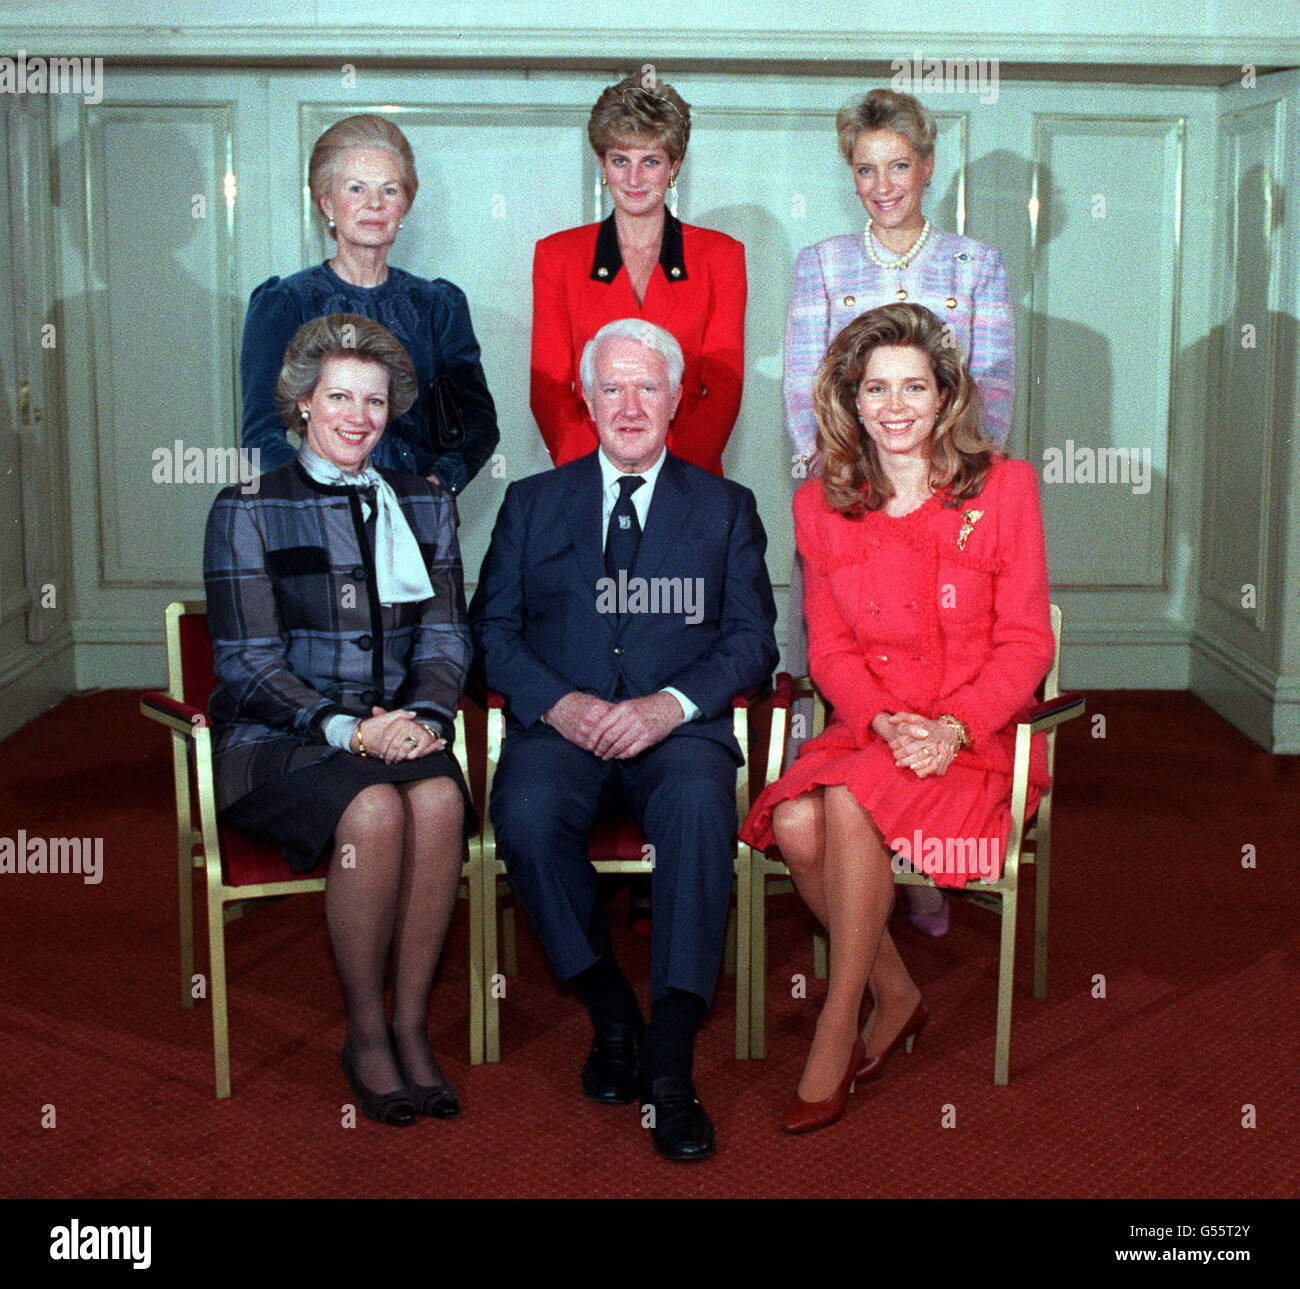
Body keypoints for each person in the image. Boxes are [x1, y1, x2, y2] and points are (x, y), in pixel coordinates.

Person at [740, 303, 1054, 1134]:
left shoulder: (1006, 488)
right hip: (872, 730)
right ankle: (898, 992)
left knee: (839, 805)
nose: (895, 404)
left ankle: (837, 1027)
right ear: (850, 397)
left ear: (946, 394)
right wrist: (882, 720)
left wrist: (948, 727)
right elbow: (830, 647)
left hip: (977, 742)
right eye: (876, 386)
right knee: (800, 822)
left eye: (914, 384)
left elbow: (1026, 643)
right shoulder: (820, 505)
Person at [471, 318, 777, 1161]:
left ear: (679, 399)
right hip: (561, 729)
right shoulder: (532, 503)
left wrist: (669, 706)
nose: (631, 404)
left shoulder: (726, 508)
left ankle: (671, 1054)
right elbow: (491, 631)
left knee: (694, 805)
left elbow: (754, 641)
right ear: (587, 397)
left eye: (649, 386)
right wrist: (559, 704)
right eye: (613, 386)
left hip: (676, 731)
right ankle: (610, 1009)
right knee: (525, 815)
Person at [206, 313, 473, 1126]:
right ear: (302, 404)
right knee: (372, 808)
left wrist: (424, 716)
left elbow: (445, 634)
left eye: (375, 401)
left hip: (400, 725)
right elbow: (247, 663)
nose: (357, 417)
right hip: (280, 738)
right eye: (340, 397)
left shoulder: (425, 501)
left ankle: (409, 1024)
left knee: (435, 800)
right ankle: (364, 1033)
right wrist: (343, 728)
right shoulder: (248, 505)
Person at [783, 88, 1016, 935]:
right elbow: (804, 398)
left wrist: (931, 489)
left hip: (945, 502)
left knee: (942, 659)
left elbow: (989, 395)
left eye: (898, 165)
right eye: (865, 169)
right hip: (851, 499)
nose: (883, 184)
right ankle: (872, 863)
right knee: (849, 657)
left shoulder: (973, 262)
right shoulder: (821, 263)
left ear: (926, 166)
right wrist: (855, 496)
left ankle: (916, 839)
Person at [240, 114, 499, 495]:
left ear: (405, 205)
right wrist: (321, 496)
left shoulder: (437, 305)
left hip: (415, 517)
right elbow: (260, 435)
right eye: (356, 189)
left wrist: (434, 487)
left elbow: (479, 424)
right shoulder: (285, 303)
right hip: (316, 520)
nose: (374, 204)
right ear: (327, 202)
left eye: (389, 190)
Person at [530, 73, 746, 475]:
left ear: (673, 167)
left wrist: (672, 480)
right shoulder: (557, 256)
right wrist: (595, 474)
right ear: (602, 165)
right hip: (588, 475)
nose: (633, 179)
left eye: (650, 161)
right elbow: (549, 387)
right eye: (619, 160)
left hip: (689, 476)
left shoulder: (721, 256)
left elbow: (724, 386)